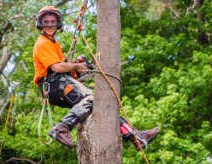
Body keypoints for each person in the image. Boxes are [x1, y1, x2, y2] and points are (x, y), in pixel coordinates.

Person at [33, 6, 159, 150]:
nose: (49, 25)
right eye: (46, 22)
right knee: (94, 99)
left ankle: (134, 136)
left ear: (58, 23)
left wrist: (77, 66)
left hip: (58, 84)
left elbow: (63, 69)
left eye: (52, 22)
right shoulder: (42, 43)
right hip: (54, 85)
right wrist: (75, 67)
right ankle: (62, 127)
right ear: (41, 24)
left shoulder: (55, 44)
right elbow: (56, 68)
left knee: (97, 106)